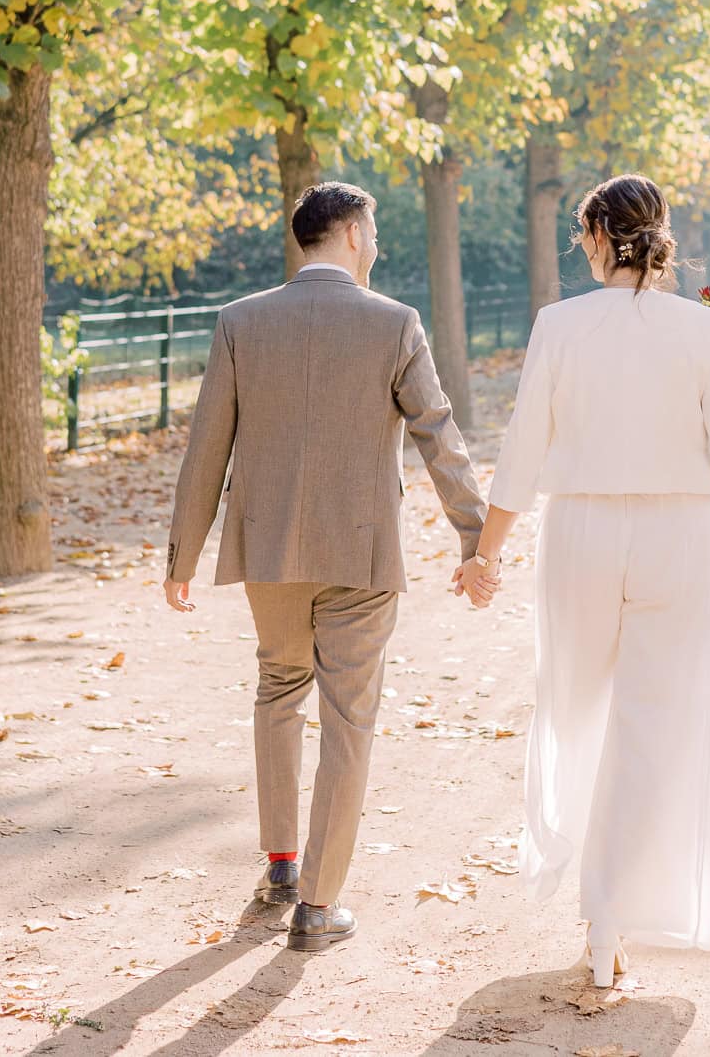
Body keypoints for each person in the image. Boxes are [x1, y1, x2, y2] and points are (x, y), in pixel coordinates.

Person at [162, 181, 496, 953]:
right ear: (349, 231)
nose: (375, 246)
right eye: (372, 232)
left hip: (269, 552)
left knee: (278, 688)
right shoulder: (395, 323)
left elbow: (207, 443)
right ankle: (319, 904)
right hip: (362, 550)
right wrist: (475, 543)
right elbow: (439, 436)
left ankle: (281, 864)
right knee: (350, 717)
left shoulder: (241, 320)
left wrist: (184, 551)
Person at [459, 173, 710, 986]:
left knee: (577, 707)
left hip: (583, 529)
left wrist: (486, 554)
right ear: (655, 238)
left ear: (599, 236)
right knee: (660, 721)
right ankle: (613, 914)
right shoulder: (702, 330)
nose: (582, 248)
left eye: (583, 235)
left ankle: (596, 911)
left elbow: (522, 449)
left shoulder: (559, 324)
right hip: (678, 533)